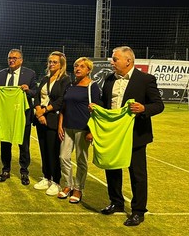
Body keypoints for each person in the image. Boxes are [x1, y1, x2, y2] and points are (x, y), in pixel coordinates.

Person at [92, 46, 164, 226]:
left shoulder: (146, 79)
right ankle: (116, 202)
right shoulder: (109, 79)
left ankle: (138, 211)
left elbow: (158, 104)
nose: (112, 62)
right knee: (112, 168)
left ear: (128, 61)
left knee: (137, 173)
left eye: (115, 59)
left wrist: (144, 109)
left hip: (135, 134)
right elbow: (105, 101)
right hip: (113, 134)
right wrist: (96, 106)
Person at [57, 57, 101, 203]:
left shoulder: (92, 87)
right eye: (76, 66)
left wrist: (91, 131)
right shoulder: (70, 85)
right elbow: (64, 107)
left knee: (81, 160)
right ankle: (67, 185)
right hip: (67, 127)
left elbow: (96, 110)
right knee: (63, 157)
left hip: (83, 128)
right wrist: (60, 125)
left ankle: (78, 188)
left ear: (88, 70)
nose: (77, 68)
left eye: (82, 66)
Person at [0, 48, 37, 185]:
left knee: (23, 146)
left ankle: (24, 172)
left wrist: (27, 90)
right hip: (6, 117)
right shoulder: (1, 74)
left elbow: (35, 92)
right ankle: (5, 170)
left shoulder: (30, 74)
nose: (11, 60)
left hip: (22, 116)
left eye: (14, 58)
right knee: (5, 144)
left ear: (21, 60)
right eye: (9, 58)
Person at [33, 51, 71, 196]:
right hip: (40, 118)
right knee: (43, 150)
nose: (51, 64)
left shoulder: (65, 80)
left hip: (53, 120)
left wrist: (44, 111)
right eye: (50, 61)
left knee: (53, 151)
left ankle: (56, 181)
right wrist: (38, 111)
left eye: (55, 62)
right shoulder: (44, 79)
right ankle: (46, 177)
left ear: (61, 64)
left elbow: (61, 100)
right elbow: (37, 95)